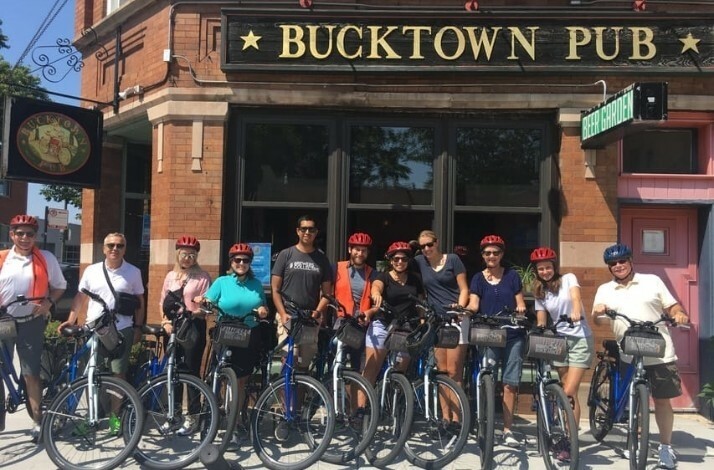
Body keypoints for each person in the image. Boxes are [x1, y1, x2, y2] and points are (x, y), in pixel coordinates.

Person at [592, 243, 689, 470]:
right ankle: (634, 439)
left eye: (622, 261)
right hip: (628, 352)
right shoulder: (605, 289)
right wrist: (597, 313)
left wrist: (679, 314)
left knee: (663, 401)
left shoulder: (652, 281)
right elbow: (597, 319)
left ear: (631, 261)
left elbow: (673, 307)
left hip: (659, 353)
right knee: (633, 401)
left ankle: (665, 447)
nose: (618, 266)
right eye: (613, 264)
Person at [0, 215, 67, 439]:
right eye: (20, 233)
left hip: (31, 323)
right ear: (12, 235)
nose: (25, 237)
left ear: (35, 236)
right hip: (3, 322)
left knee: (31, 374)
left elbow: (59, 287)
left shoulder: (45, 258)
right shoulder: (2, 258)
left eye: (30, 233)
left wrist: (49, 302)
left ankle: (38, 421)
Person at [197, 243, 268, 430]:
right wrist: (204, 301)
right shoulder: (222, 282)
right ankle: (217, 410)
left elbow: (264, 307)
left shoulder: (256, 284)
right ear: (231, 262)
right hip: (226, 331)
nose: (241, 263)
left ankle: (235, 420)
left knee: (242, 379)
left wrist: (262, 310)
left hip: (248, 333)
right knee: (220, 373)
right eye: (238, 260)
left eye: (246, 260)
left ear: (250, 263)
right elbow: (209, 299)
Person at [530, 246, 594, 449]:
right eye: (541, 269)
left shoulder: (568, 279)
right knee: (570, 395)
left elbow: (576, 298)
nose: (545, 272)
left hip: (579, 339)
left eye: (548, 268)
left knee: (568, 391)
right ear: (536, 271)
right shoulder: (540, 291)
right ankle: (570, 434)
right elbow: (541, 319)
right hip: (558, 342)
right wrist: (538, 330)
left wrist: (576, 312)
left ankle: (567, 440)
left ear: (554, 267)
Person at [467, 234, 527, 447]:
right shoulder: (477, 278)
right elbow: (474, 303)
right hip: (489, 334)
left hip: (512, 335)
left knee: (510, 384)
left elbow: (520, 301)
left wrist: (520, 308)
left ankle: (507, 430)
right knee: (487, 381)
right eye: (487, 253)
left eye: (496, 252)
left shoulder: (511, 276)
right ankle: (485, 423)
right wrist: (466, 310)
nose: (491, 256)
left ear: (502, 254)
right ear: (483, 256)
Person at [60, 233, 145, 380]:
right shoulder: (91, 270)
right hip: (95, 329)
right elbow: (80, 296)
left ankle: (116, 404)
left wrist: (137, 328)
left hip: (122, 329)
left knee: (119, 374)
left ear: (125, 250)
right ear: (104, 249)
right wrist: (71, 319)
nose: (115, 248)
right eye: (111, 245)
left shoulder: (134, 272)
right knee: (93, 372)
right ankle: (96, 403)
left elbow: (140, 302)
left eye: (120, 245)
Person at [359, 241, 425, 408]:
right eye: (396, 259)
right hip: (383, 324)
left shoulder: (415, 280)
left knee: (401, 369)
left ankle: (394, 405)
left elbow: (420, 303)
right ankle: (360, 411)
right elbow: (376, 287)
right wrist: (376, 295)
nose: (400, 262)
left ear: (409, 260)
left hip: (405, 327)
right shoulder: (384, 276)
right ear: (390, 260)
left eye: (403, 259)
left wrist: (423, 320)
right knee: (371, 370)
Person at [158, 235, 211, 436]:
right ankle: (174, 414)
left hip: (193, 326)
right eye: (184, 254)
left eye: (191, 255)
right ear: (177, 255)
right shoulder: (170, 276)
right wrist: (164, 322)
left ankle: (193, 416)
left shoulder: (203, 277)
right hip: (172, 327)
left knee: (191, 371)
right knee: (174, 372)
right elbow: (162, 301)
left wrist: (198, 308)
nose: (187, 258)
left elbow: (206, 305)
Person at [271, 215, 333, 371]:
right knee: (288, 361)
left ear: (316, 232)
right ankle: (285, 395)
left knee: (304, 365)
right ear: (298, 231)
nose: (307, 232)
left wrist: (317, 312)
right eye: (304, 229)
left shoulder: (322, 259)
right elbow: (275, 289)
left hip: (309, 319)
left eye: (311, 229)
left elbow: (327, 293)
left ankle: (300, 395)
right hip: (288, 316)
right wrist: (282, 313)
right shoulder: (286, 255)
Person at [413, 231, 469, 399]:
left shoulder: (452, 259)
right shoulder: (419, 262)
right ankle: (446, 418)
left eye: (429, 244)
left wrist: (460, 308)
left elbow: (464, 288)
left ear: (436, 243)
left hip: (455, 318)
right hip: (436, 320)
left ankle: (458, 419)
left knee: (454, 371)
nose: (426, 248)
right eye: (422, 246)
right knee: (442, 372)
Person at [332, 232, 378, 371]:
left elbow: (377, 303)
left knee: (358, 367)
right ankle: (332, 391)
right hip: (340, 323)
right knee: (336, 364)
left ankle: (355, 392)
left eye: (363, 250)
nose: (360, 253)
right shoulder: (336, 268)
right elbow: (325, 293)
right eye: (357, 249)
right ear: (350, 250)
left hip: (361, 325)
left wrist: (370, 312)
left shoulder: (373, 273)